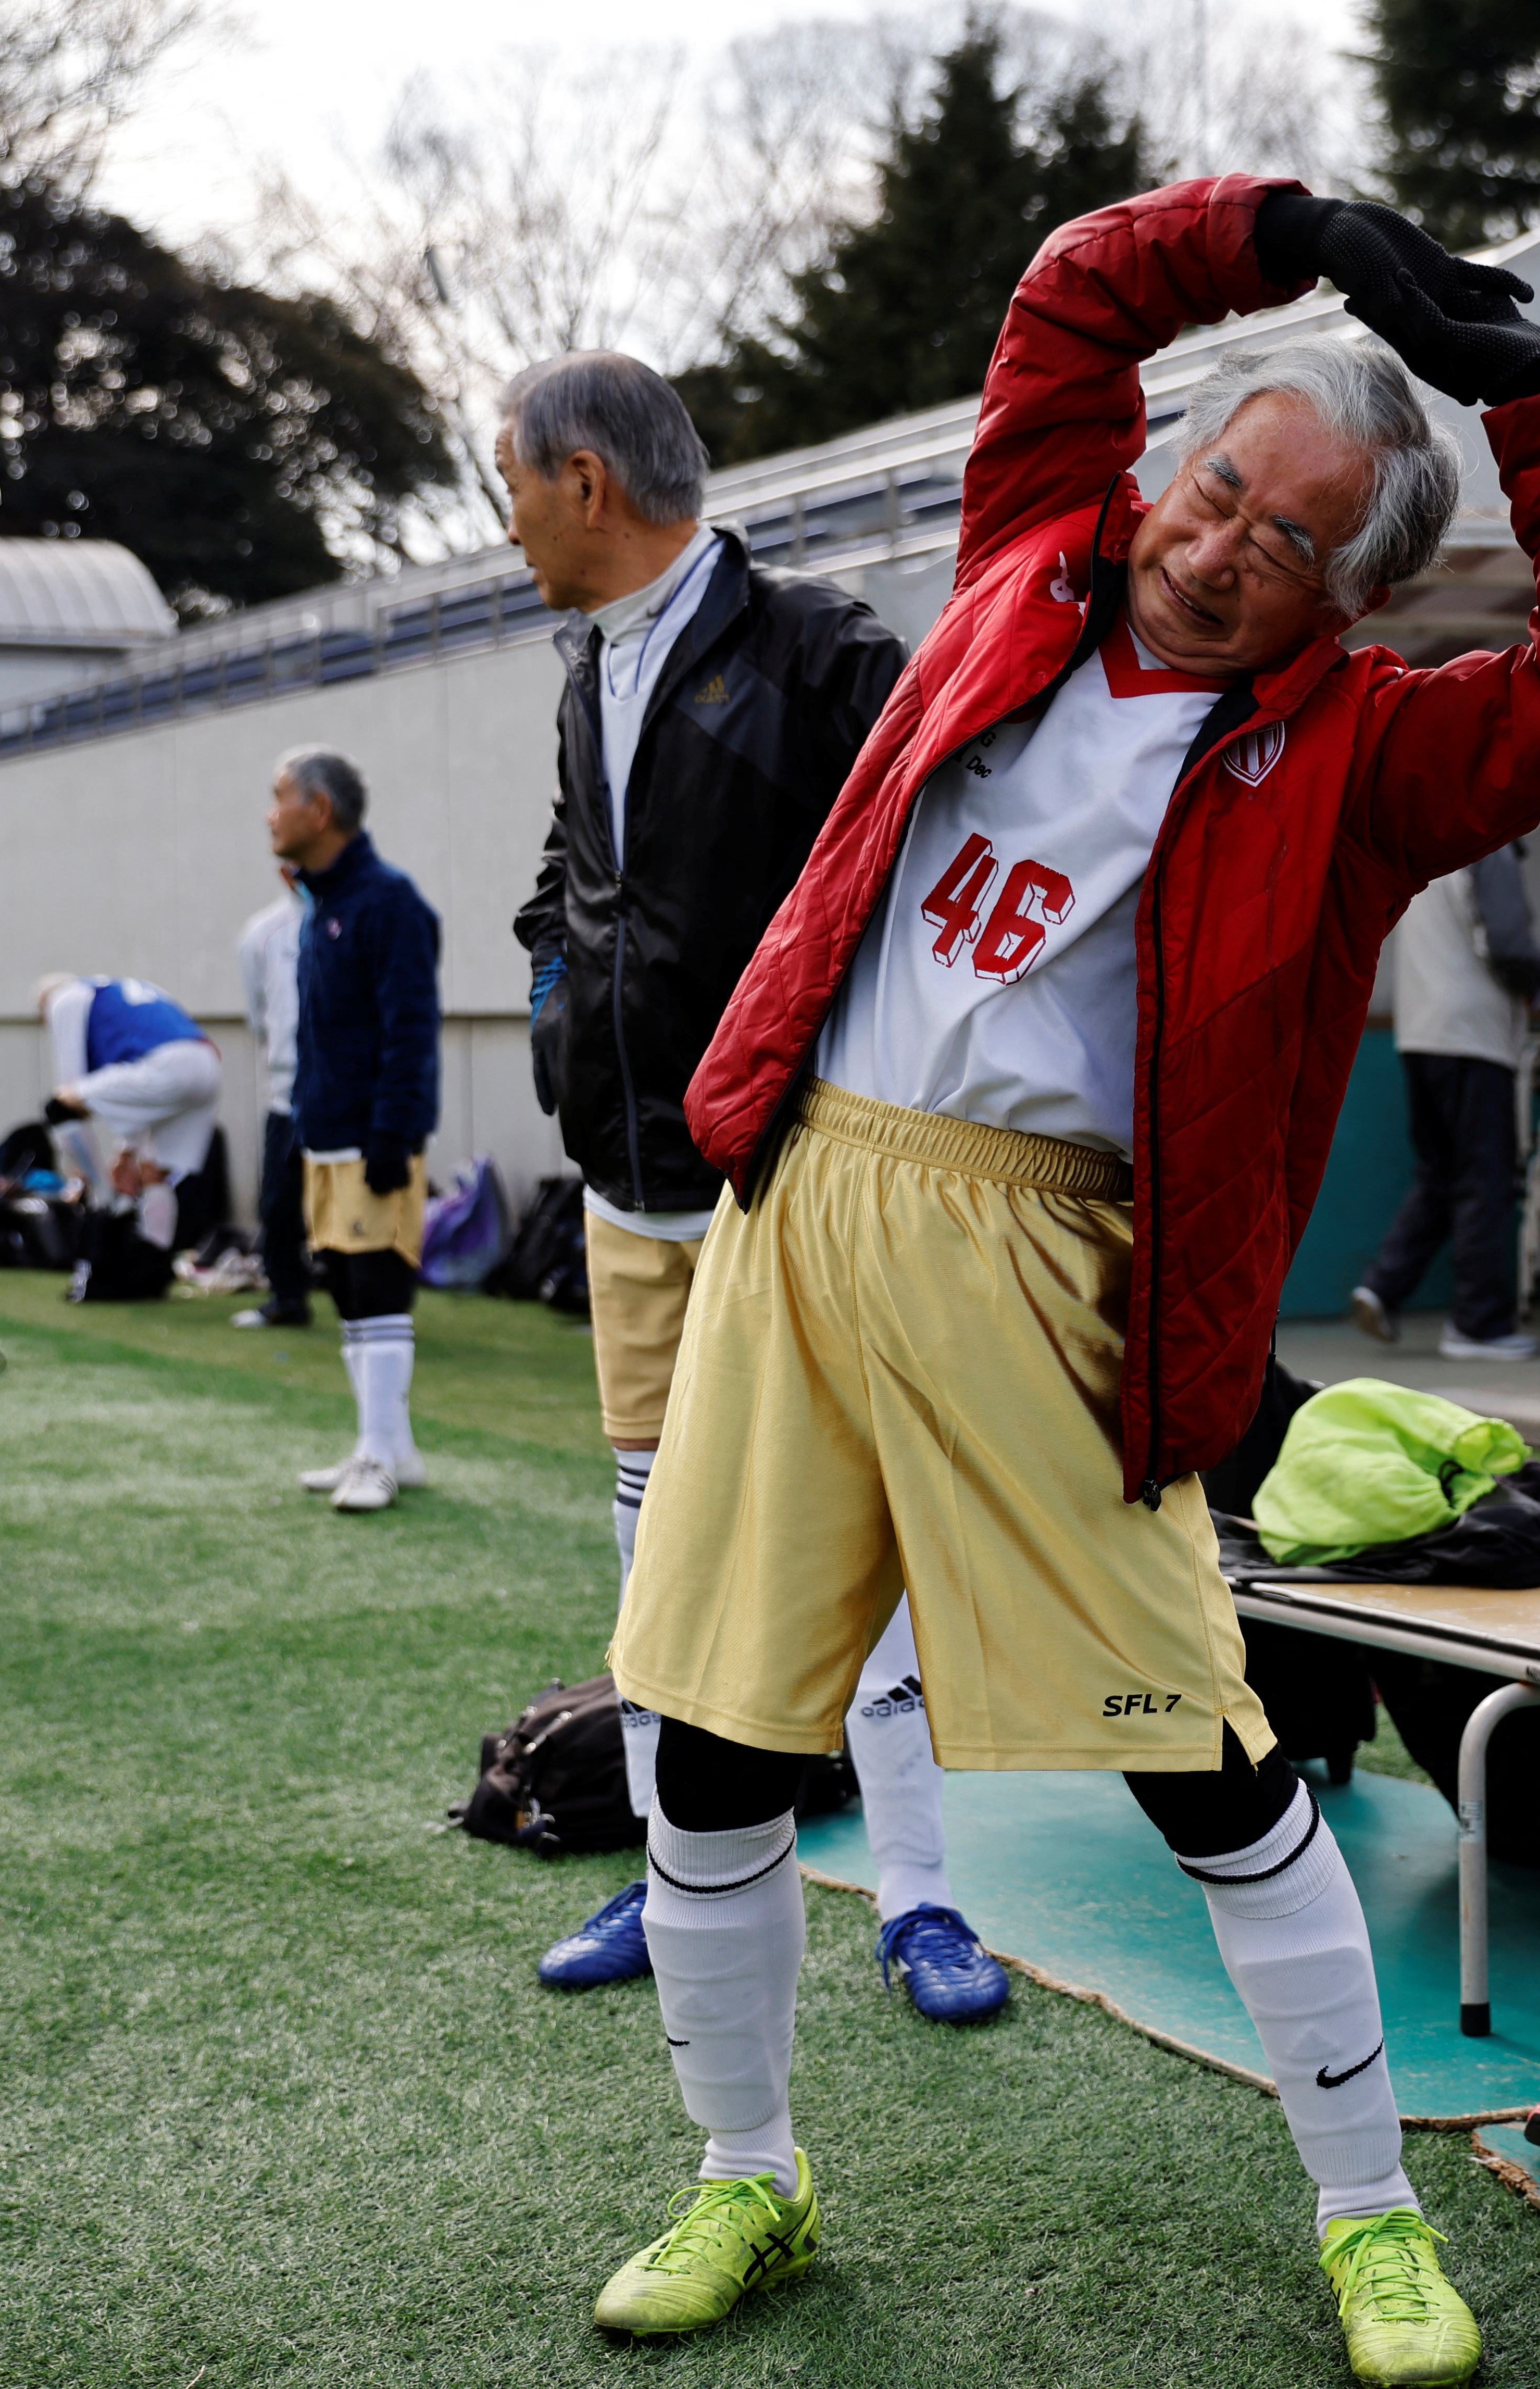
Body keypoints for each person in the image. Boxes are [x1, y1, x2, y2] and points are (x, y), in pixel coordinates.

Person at [583, 178, 1540, 2385]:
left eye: (1281, 536)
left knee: (1200, 1758)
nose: (1210, 541)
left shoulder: (1367, 758)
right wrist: (1279, 226)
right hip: (806, 1208)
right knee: (706, 1743)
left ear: (1344, 594)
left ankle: (1367, 2212)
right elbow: (1070, 301)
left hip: (1054, 1266)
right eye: (1212, 485)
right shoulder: (1027, 563)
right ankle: (742, 2163)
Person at [499, 349, 1005, 2024]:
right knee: (654, 1537)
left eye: (515, 483)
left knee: (848, 1546)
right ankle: (669, 1867)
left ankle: (923, 1899)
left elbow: (942, 873)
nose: (508, 523)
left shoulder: (819, 648)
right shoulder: (587, 670)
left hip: (793, 1190)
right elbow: (573, 881)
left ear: (586, 481)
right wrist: (561, 1021)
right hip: (628, 1186)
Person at [272, 745, 440, 1514]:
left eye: (280, 798)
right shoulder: (323, 903)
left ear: (320, 810)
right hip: (323, 1129)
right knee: (344, 1283)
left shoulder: (388, 902)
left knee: (377, 1289)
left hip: (374, 1136)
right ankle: (387, 1444)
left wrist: (394, 1132)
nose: (269, 816)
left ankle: (378, 1454)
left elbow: (412, 1030)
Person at [1349, 843, 1540, 1357]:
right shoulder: (1491, 848)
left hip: (1418, 1033)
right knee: (1483, 1177)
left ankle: (1383, 1286)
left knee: (1440, 1173)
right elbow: (1509, 948)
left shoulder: (1428, 846)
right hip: (1473, 1038)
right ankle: (1478, 1324)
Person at [35, 972, 222, 1255]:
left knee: (59, 1106)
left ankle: (107, 1203)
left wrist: (85, 1171)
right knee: (154, 1171)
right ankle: (153, 1263)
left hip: (168, 1065)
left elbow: (69, 1091)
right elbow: (141, 1091)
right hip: (207, 1064)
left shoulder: (65, 1000)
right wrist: (127, 1151)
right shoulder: (119, 992)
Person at [233, 869, 312, 1328]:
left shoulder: (363, 916)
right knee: (280, 1201)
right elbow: (258, 1014)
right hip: (287, 1092)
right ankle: (287, 1296)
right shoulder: (261, 934)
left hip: (347, 1093)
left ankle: (363, 1298)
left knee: (349, 1197)